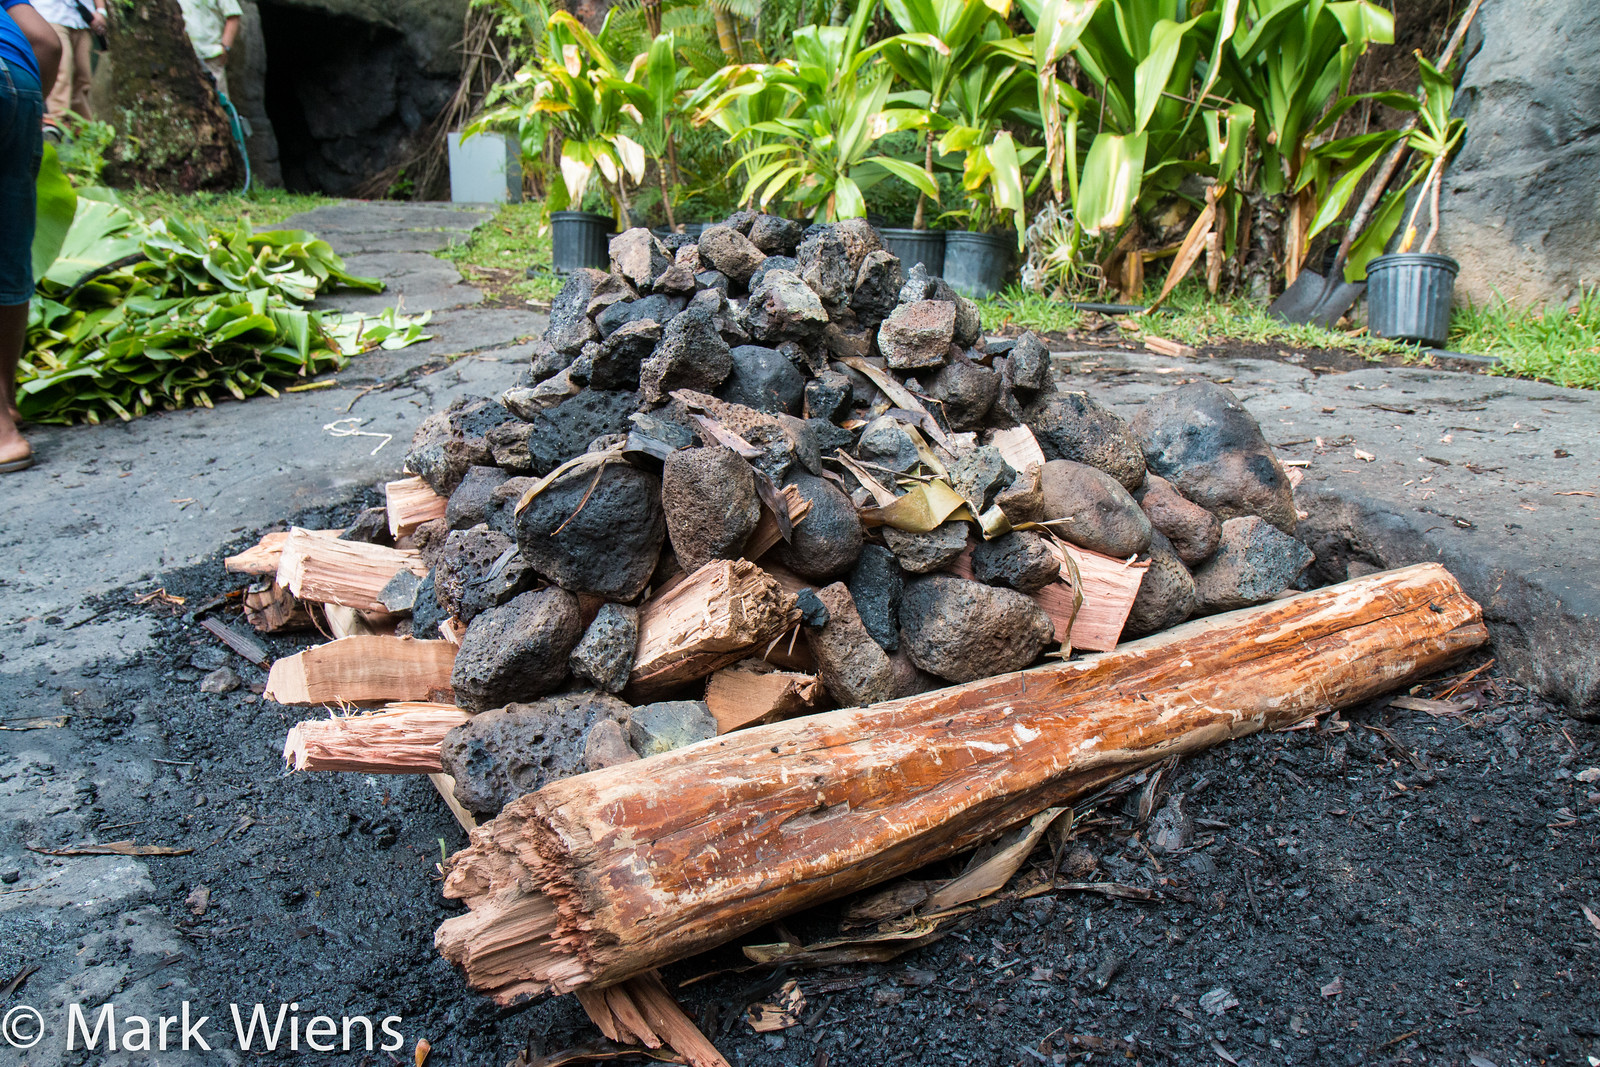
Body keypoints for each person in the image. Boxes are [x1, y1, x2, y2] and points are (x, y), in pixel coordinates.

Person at [1, 0, 61, 473]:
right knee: (7, 250)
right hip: (20, 81)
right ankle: (7, 397)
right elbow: (46, 40)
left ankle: (1, 430)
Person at [32, 0, 103, 137]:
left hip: (82, 18)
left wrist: (101, 11)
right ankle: (56, 121)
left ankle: (82, 125)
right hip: (51, 14)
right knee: (62, 70)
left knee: (83, 76)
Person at [177, 0, 239, 98]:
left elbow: (233, 15)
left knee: (219, 102)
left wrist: (225, 48)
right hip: (181, 57)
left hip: (211, 57)